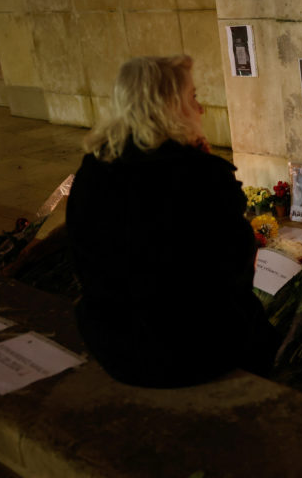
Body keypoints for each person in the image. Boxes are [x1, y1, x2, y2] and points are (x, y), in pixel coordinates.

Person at [67, 55, 280, 388]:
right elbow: (236, 268)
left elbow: (85, 260)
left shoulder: (94, 169)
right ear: (169, 107)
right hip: (190, 353)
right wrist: (206, 167)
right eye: (193, 97)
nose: (201, 109)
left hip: (113, 346)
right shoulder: (200, 176)